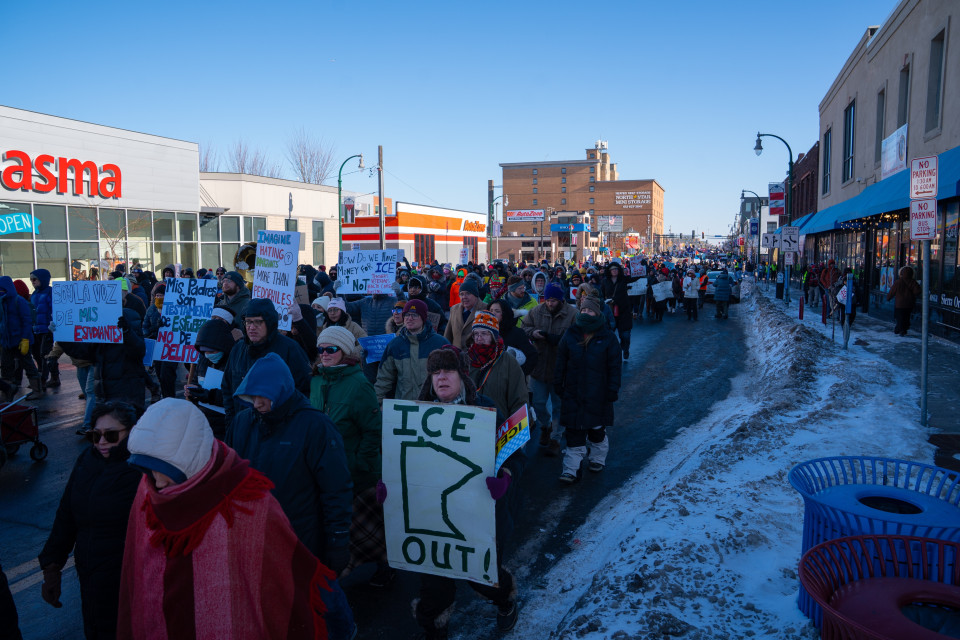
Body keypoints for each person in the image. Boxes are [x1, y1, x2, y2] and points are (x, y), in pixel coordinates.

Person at [119, 398, 356, 640]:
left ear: (193, 461)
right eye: (148, 470)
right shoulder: (149, 493)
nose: (158, 482)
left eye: (168, 472)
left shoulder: (249, 503)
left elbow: (289, 574)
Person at [409, 346, 522, 638]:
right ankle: (434, 630)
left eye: (448, 371)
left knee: (483, 579)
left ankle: (504, 599)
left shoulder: (486, 410)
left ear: (463, 376)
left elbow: (513, 454)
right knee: (434, 591)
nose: (441, 378)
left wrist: (505, 476)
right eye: (435, 372)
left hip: (477, 516)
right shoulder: (413, 414)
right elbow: (401, 460)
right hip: (432, 518)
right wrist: (391, 487)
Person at [228, 353, 354, 575]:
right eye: (251, 396)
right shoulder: (242, 423)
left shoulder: (316, 426)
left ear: (280, 390)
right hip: (251, 537)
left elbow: (336, 488)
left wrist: (338, 540)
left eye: (263, 396)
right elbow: (228, 476)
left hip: (300, 539)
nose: (257, 403)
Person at [38, 401, 142, 639]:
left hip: (126, 581)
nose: (102, 442)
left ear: (131, 432)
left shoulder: (142, 469)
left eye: (111, 435)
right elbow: (67, 514)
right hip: (89, 575)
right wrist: (52, 566)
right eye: (95, 435)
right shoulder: (87, 459)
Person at [310, 326, 392, 586]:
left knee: (371, 531)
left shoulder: (359, 384)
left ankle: (385, 568)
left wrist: (358, 463)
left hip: (356, 472)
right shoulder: (315, 380)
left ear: (344, 351)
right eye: (321, 349)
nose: (324, 353)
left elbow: (372, 431)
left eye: (331, 349)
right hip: (325, 470)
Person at [554, 296, 621, 482]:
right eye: (583, 310)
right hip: (574, 392)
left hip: (598, 394)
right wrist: (558, 383)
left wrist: (612, 389)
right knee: (574, 433)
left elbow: (615, 366)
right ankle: (571, 470)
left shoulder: (607, 337)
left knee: (596, 431)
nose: (586, 313)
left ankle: (597, 459)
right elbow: (561, 361)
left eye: (590, 311)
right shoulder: (571, 334)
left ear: (597, 313)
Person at [220, 299, 312, 429]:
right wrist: (232, 424)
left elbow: (304, 390)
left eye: (258, 322)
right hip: (244, 429)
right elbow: (227, 388)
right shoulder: (238, 349)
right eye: (248, 322)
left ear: (269, 322)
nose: (251, 327)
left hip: (279, 431)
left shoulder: (289, 349)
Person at [522, 282, 576, 457]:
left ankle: (556, 438)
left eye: (553, 300)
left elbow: (577, 337)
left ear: (560, 299)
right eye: (547, 299)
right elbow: (525, 326)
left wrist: (560, 340)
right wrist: (533, 333)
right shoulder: (537, 311)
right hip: (539, 366)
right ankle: (545, 426)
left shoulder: (572, 314)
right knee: (537, 403)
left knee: (559, 405)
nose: (550, 303)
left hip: (561, 369)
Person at [58, 308, 147, 410]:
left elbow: (139, 351)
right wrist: (61, 336)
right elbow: (83, 352)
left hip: (127, 394)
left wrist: (126, 332)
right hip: (103, 395)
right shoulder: (97, 320)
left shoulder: (130, 317)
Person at [374, 299, 449, 402]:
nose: (409, 318)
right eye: (406, 315)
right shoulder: (394, 345)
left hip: (433, 408)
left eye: (414, 315)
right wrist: (377, 404)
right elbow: (384, 379)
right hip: (404, 407)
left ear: (423, 318)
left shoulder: (440, 343)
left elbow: (452, 377)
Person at [466, 311, 527, 418]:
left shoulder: (508, 361)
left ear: (493, 336)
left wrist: (515, 426)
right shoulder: (465, 359)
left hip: (498, 423)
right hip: (468, 422)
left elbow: (519, 399)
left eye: (484, 333)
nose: (479, 338)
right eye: (476, 333)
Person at [184, 317, 236, 439]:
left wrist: (209, 396)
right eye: (205, 352)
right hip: (202, 420)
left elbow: (234, 396)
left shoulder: (234, 363)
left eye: (212, 352)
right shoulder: (203, 359)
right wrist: (193, 390)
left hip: (224, 423)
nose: (209, 355)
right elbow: (197, 380)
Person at [0, 276, 40, 399]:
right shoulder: (1, 302)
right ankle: (7, 391)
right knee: (6, 367)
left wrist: (25, 339)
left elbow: (26, 321)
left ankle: (37, 390)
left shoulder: (19, 301)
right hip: (7, 341)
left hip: (21, 340)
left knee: (28, 365)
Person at [487, 300, 538, 377]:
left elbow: (532, 356)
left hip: (510, 381)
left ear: (504, 314)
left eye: (497, 311)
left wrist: (518, 374)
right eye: (491, 311)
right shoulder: (485, 332)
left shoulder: (517, 333)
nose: (493, 314)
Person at [29, 269, 59, 389]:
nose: (32, 282)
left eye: (34, 279)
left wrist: (52, 325)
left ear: (42, 279)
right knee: (36, 353)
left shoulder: (50, 292)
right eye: (31, 279)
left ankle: (45, 379)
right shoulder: (35, 293)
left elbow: (54, 310)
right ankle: (51, 377)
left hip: (47, 329)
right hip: (36, 328)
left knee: (45, 354)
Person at [444, 277, 487, 349]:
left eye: (468, 293)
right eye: (461, 294)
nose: (464, 297)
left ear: (475, 295)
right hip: (456, 356)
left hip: (476, 357)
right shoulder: (454, 309)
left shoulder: (485, 309)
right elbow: (448, 334)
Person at [601, 263, 632, 359]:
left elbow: (637, 278)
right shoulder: (605, 281)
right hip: (610, 311)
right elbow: (601, 294)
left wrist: (639, 267)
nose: (614, 271)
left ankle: (625, 348)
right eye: (612, 269)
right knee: (609, 334)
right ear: (609, 271)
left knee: (625, 335)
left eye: (616, 269)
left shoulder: (624, 280)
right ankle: (611, 354)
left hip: (624, 311)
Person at [886, 265, 921, 336]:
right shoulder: (913, 282)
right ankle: (904, 329)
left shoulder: (898, 282)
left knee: (899, 317)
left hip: (899, 303)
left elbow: (892, 292)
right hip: (909, 303)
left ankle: (899, 329)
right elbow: (917, 291)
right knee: (906, 316)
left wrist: (888, 298)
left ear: (901, 273)